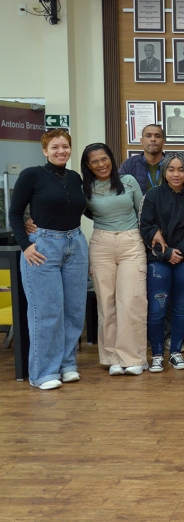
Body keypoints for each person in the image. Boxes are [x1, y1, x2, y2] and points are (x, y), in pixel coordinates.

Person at [10, 129, 88, 389]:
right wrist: (25, 245)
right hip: (43, 247)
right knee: (47, 312)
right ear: (45, 150)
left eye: (65, 146)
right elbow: (15, 213)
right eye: (54, 147)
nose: (60, 151)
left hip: (75, 244)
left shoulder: (75, 178)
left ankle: (67, 364)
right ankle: (43, 373)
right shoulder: (31, 175)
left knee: (74, 311)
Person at [80, 143, 147, 376]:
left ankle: (134, 357)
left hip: (131, 242)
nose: (101, 164)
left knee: (132, 301)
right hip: (101, 244)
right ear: (88, 165)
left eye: (104, 158)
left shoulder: (128, 181)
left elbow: (142, 211)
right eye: (95, 161)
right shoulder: (85, 188)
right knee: (106, 304)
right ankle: (113, 358)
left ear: (111, 158)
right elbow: (81, 211)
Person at [139, 152, 184, 372]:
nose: (176, 174)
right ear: (164, 171)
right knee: (157, 310)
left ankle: (176, 353)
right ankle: (157, 355)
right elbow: (145, 226)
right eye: (171, 169)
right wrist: (166, 253)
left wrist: (180, 252)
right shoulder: (153, 195)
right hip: (158, 261)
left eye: (180, 170)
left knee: (181, 308)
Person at [120, 123, 165, 193]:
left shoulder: (172, 163)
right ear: (142, 141)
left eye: (157, 136)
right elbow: (119, 191)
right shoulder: (128, 165)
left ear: (163, 142)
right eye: (148, 136)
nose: (153, 139)